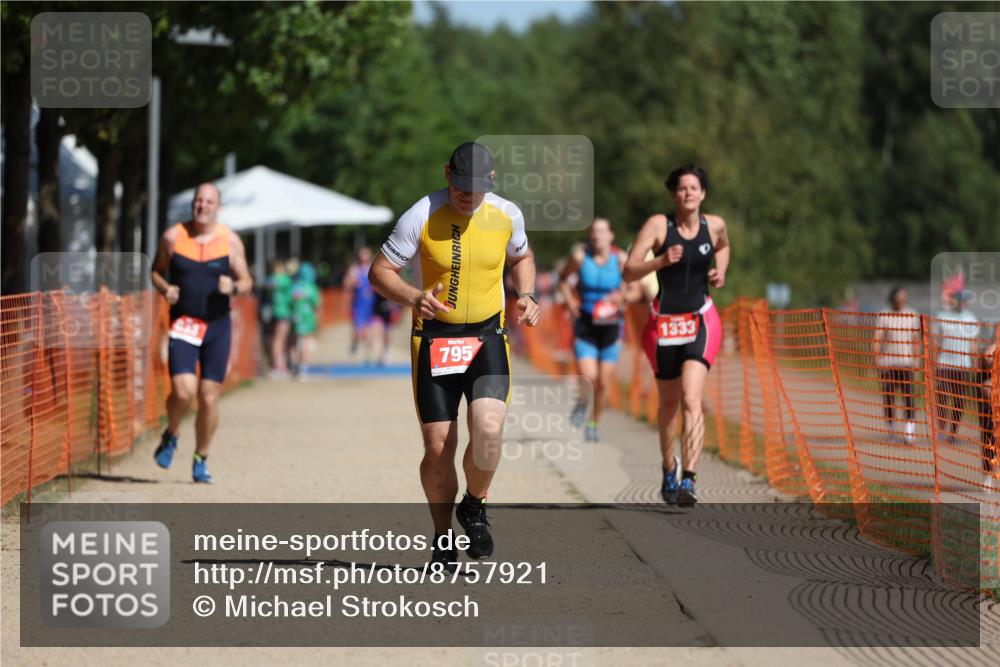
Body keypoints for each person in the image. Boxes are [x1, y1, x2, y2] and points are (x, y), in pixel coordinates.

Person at [369, 141, 540, 570]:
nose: (468, 196)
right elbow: (379, 272)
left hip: (487, 337)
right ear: (447, 174)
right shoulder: (421, 214)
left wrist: (527, 293)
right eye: (461, 187)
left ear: (492, 181)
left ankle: (475, 505)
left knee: (488, 430)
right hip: (434, 339)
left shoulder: (507, 214)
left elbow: (523, 256)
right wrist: (413, 297)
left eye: (476, 189)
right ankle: (442, 537)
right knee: (439, 447)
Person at [623, 164, 729, 507]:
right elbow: (628, 270)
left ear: (703, 193)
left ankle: (689, 480)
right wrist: (660, 261)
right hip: (662, 325)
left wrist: (720, 270)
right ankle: (669, 467)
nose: (688, 193)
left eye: (694, 188)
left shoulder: (714, 226)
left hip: (701, 320)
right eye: (682, 189)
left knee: (690, 397)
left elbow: (724, 246)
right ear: (673, 194)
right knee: (668, 404)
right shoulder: (658, 225)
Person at [151, 183, 252, 483]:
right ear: (193, 204)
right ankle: (171, 433)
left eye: (209, 201)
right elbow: (155, 270)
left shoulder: (230, 241)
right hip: (183, 323)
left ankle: (200, 457)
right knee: (182, 391)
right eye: (198, 200)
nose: (203, 205)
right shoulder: (173, 236)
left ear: (217, 207)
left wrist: (233, 287)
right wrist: (165, 287)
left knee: (208, 397)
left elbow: (247, 281)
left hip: (217, 327)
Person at [559, 218, 635, 442]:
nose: (597, 236)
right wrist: (571, 302)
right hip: (586, 325)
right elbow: (563, 280)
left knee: (602, 381)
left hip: (612, 327)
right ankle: (582, 401)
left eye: (602, 232)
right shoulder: (580, 257)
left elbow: (634, 290)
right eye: (593, 232)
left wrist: (622, 297)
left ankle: (594, 422)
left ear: (611, 236)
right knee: (589, 376)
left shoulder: (621, 259)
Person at [872, 286, 922, 444]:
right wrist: (877, 360)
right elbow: (877, 339)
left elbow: (916, 340)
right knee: (889, 398)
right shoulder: (884, 314)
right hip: (889, 363)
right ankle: (892, 431)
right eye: (899, 298)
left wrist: (917, 360)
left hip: (906, 363)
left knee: (909, 398)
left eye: (904, 298)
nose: (901, 301)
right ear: (893, 299)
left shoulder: (912, 315)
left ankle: (909, 433)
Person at [932, 290, 980, 443]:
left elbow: (973, 344)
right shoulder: (942, 316)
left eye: (963, 300)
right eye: (958, 299)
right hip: (944, 364)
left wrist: (976, 366)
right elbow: (936, 342)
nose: (961, 302)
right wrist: (933, 363)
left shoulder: (971, 318)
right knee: (941, 397)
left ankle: (953, 433)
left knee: (959, 401)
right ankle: (941, 428)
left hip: (962, 366)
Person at [344, 247, 377, 359]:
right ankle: (355, 344)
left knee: (369, 329)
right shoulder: (354, 269)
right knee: (357, 329)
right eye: (362, 255)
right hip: (358, 302)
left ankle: (369, 352)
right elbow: (347, 284)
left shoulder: (373, 268)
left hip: (370, 303)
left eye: (366, 255)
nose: (363, 258)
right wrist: (352, 283)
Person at [291, 262, 321, 380]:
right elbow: (317, 306)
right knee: (305, 343)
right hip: (308, 318)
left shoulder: (295, 286)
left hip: (296, 317)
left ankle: (294, 366)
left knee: (294, 343)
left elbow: (291, 301)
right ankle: (303, 369)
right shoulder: (312, 288)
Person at [977, 325, 998, 490]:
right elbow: (984, 382)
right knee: (988, 437)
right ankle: (987, 475)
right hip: (990, 405)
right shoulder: (989, 351)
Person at [266, 259, 294, 377]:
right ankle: (279, 366)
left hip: (275, 312)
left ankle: (279, 365)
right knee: (280, 340)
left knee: (277, 339)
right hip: (284, 313)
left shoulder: (270, 280)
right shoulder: (286, 280)